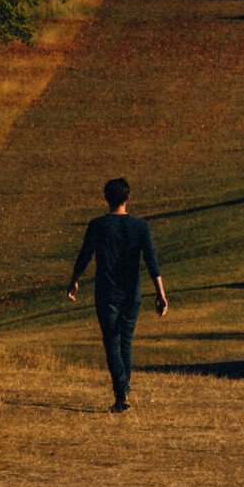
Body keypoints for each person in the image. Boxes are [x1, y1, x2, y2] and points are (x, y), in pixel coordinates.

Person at [67, 176, 168, 412]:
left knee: (112, 340)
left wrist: (74, 281)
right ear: (128, 197)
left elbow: (84, 256)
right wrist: (161, 293)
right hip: (132, 293)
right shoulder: (140, 226)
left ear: (106, 199)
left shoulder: (98, 225)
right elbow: (152, 262)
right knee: (125, 340)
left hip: (106, 292)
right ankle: (123, 389)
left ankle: (121, 391)